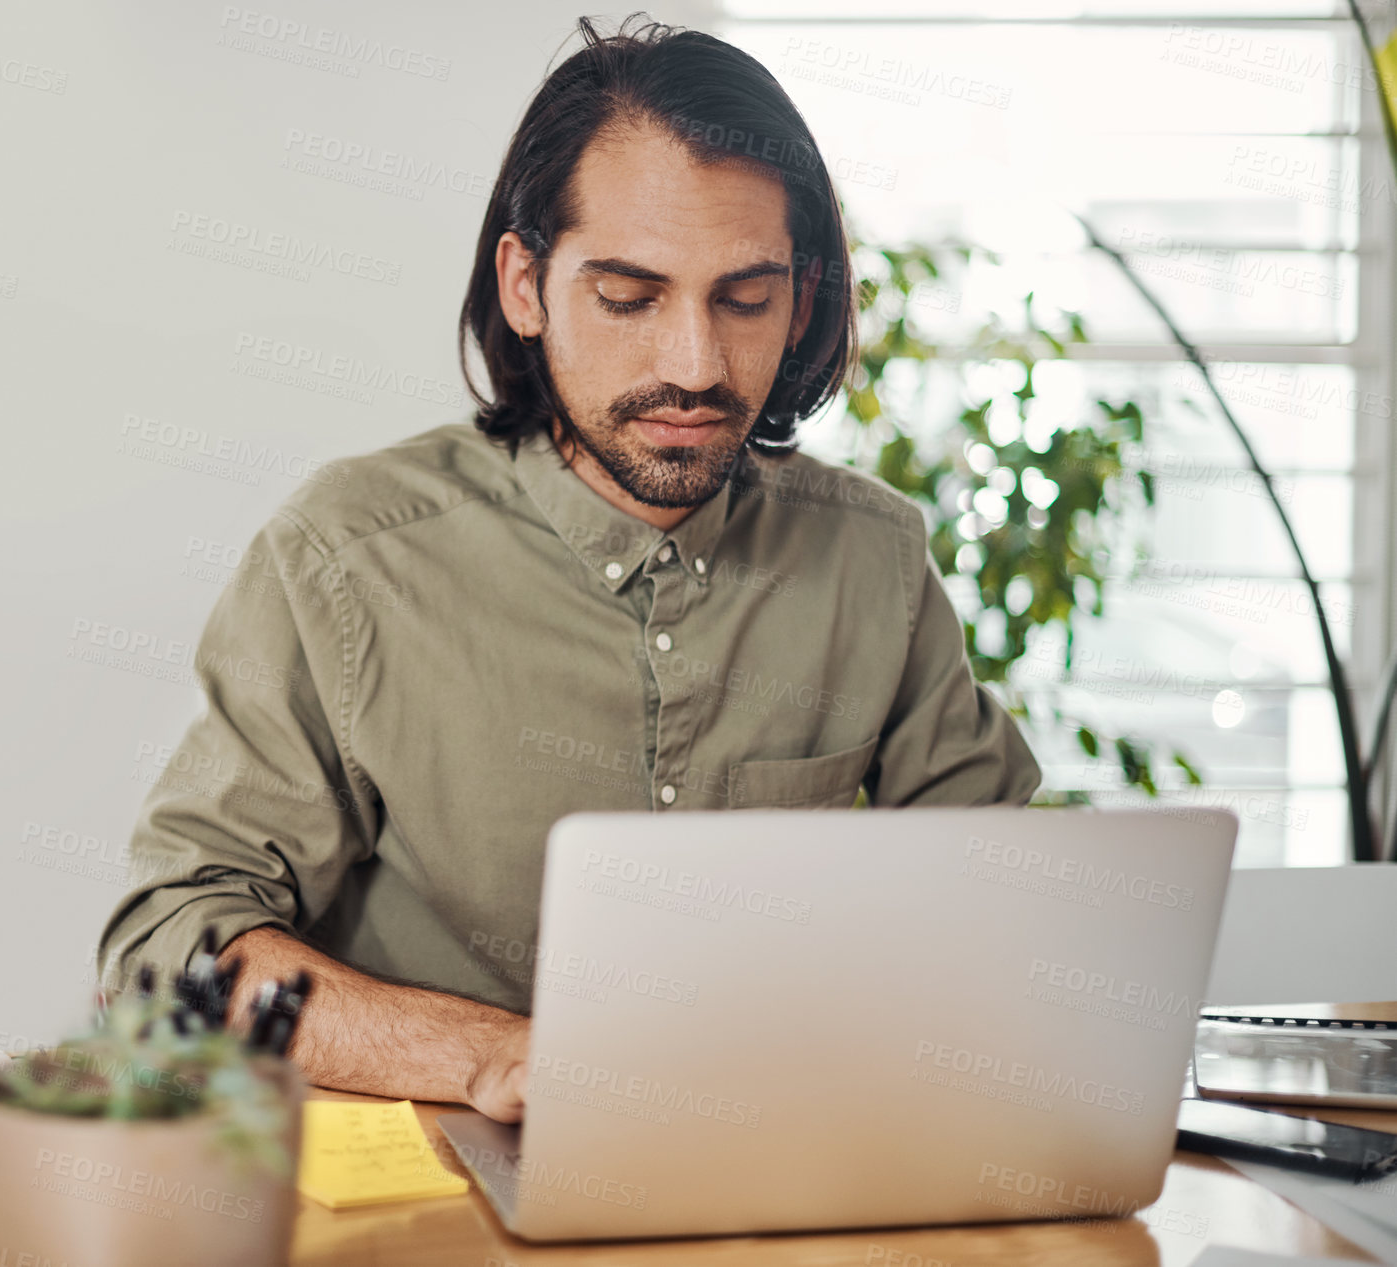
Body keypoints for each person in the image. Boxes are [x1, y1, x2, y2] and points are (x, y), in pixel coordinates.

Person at [97, 12, 1041, 1125]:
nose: (694, 364)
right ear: (526, 286)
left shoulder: (872, 560)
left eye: (745, 299)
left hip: (774, 1177)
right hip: (433, 1200)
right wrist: (493, 1058)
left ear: (804, 298)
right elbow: (170, 953)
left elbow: (1008, 910)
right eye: (630, 297)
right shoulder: (348, 558)